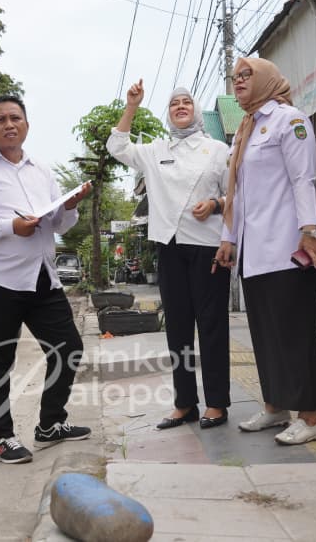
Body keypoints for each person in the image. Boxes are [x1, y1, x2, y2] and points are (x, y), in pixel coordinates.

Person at [0, 95, 92, 464]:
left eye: (15, 118)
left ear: (27, 124)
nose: (9, 125)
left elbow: (58, 224)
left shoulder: (41, 170)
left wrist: (70, 207)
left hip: (41, 276)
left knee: (68, 348)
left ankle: (51, 423)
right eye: (0, 120)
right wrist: (10, 226)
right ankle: (2, 438)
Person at [214, 57, 316, 445]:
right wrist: (228, 238)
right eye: (235, 78)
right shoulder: (245, 129)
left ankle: (311, 418)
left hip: (285, 247)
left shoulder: (289, 120)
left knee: (293, 334)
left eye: (246, 75)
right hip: (254, 252)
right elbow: (237, 194)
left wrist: (310, 231)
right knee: (265, 335)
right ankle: (276, 407)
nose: (238, 82)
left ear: (266, 79)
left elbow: (303, 180)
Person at [106, 80, 232, 429]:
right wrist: (131, 106)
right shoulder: (155, 150)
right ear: (168, 112)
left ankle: (217, 404)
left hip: (208, 246)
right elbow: (116, 146)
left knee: (212, 326)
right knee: (177, 328)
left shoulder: (217, 150)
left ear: (196, 111)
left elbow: (236, 196)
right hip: (169, 246)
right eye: (174, 103)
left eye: (186, 102)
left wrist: (216, 204)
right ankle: (185, 403)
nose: (180, 106)